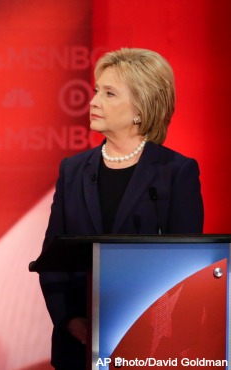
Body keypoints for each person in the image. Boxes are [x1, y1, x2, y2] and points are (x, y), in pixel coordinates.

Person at [38, 48, 204, 369]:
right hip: (79, 345)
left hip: (152, 344)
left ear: (140, 108)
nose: (94, 101)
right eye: (96, 90)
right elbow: (52, 259)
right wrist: (71, 319)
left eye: (109, 93)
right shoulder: (72, 170)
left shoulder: (176, 172)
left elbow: (186, 267)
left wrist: (140, 327)